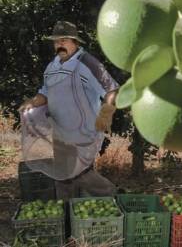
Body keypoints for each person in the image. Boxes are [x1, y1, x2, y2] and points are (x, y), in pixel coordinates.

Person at [19, 21, 119, 200]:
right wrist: (32, 102)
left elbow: (111, 89)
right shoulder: (52, 67)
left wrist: (106, 112)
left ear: (75, 42)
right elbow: (45, 94)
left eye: (64, 40)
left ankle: (114, 195)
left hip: (83, 133)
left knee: (80, 174)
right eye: (56, 41)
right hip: (60, 132)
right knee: (63, 178)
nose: (59, 45)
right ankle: (67, 215)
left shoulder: (87, 63)